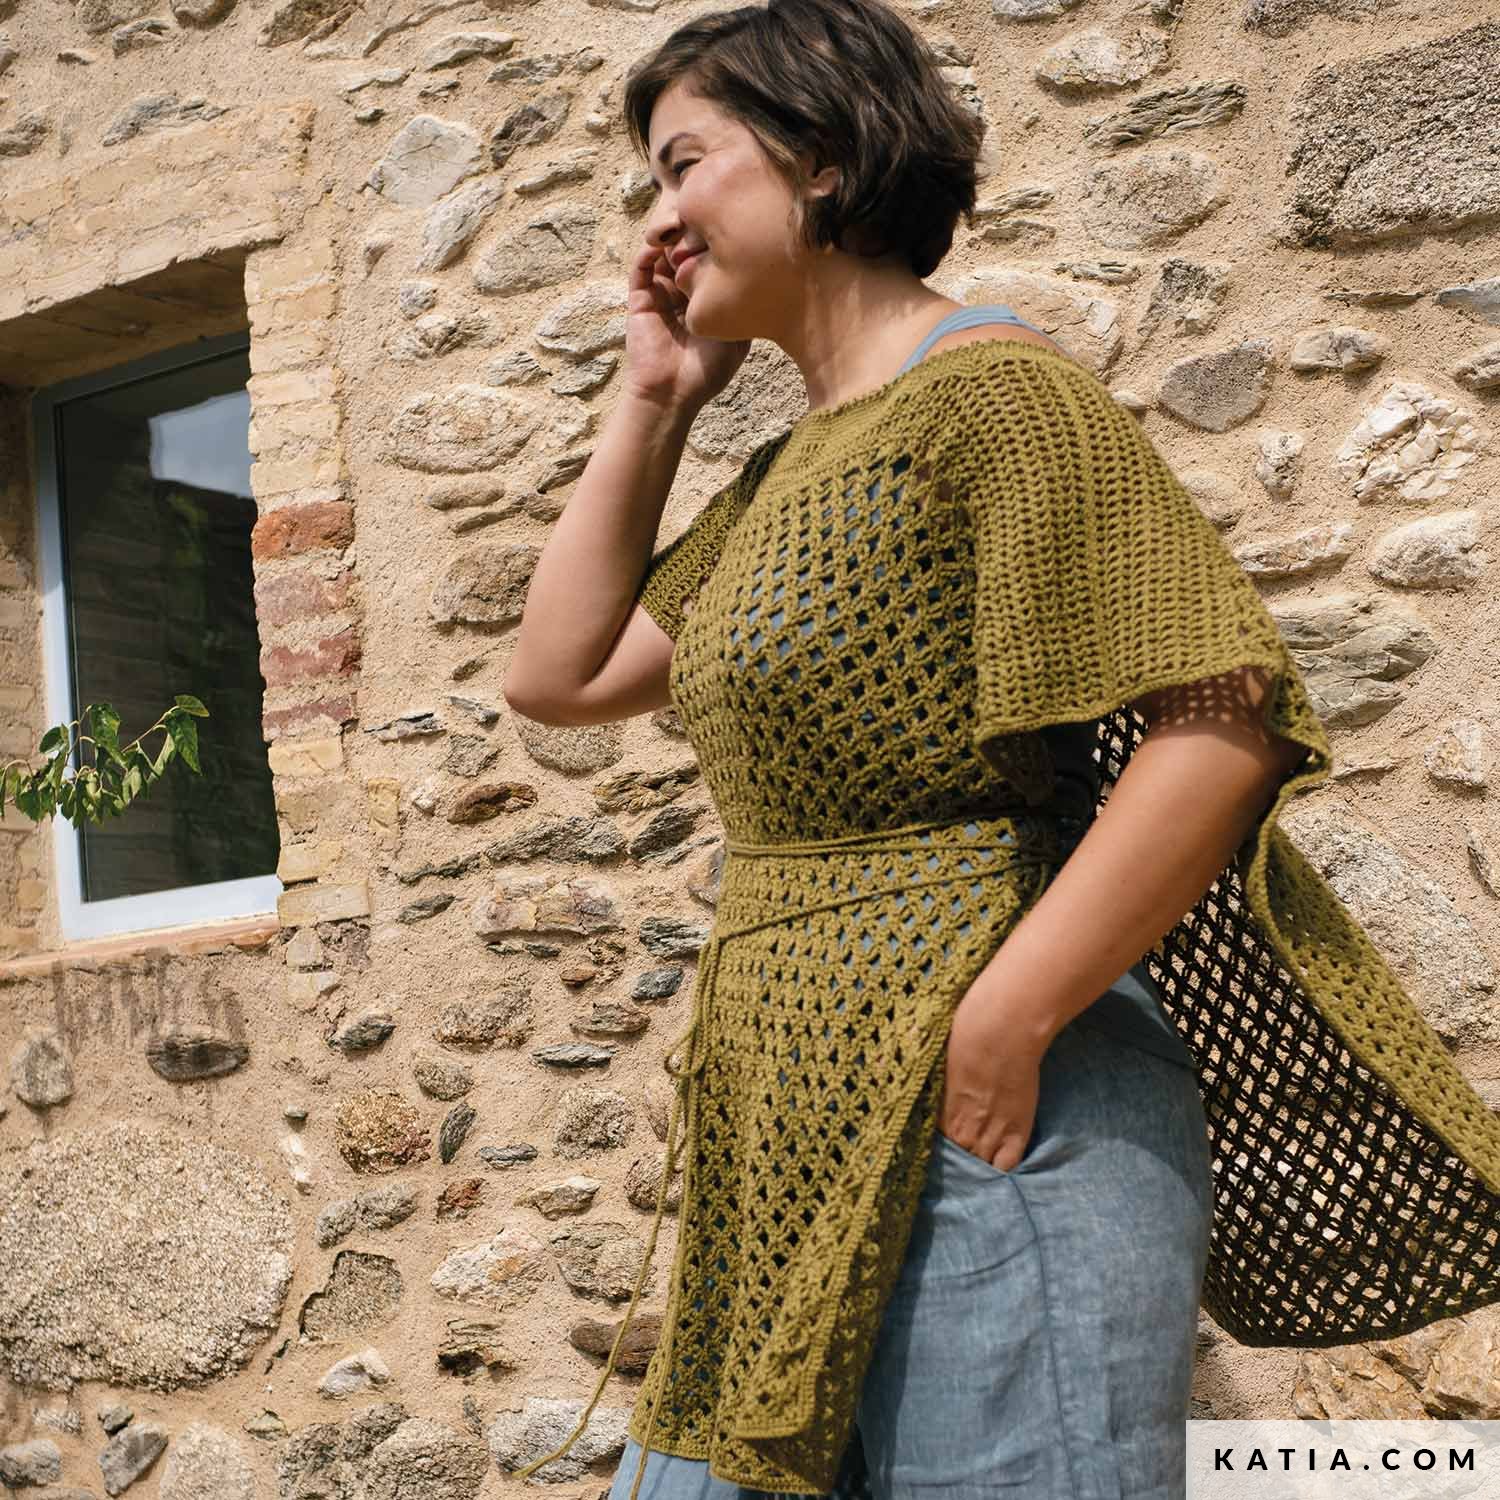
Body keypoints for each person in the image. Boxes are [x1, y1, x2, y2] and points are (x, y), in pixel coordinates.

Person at [501, 3, 1500, 1498]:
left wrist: (1006, 1021)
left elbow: (1221, 724)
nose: (657, 220)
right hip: (802, 1120)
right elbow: (559, 674)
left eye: (683, 163)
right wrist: (652, 396)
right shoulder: (792, 466)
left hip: (992, 1116)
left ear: (822, 156)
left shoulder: (995, 395)